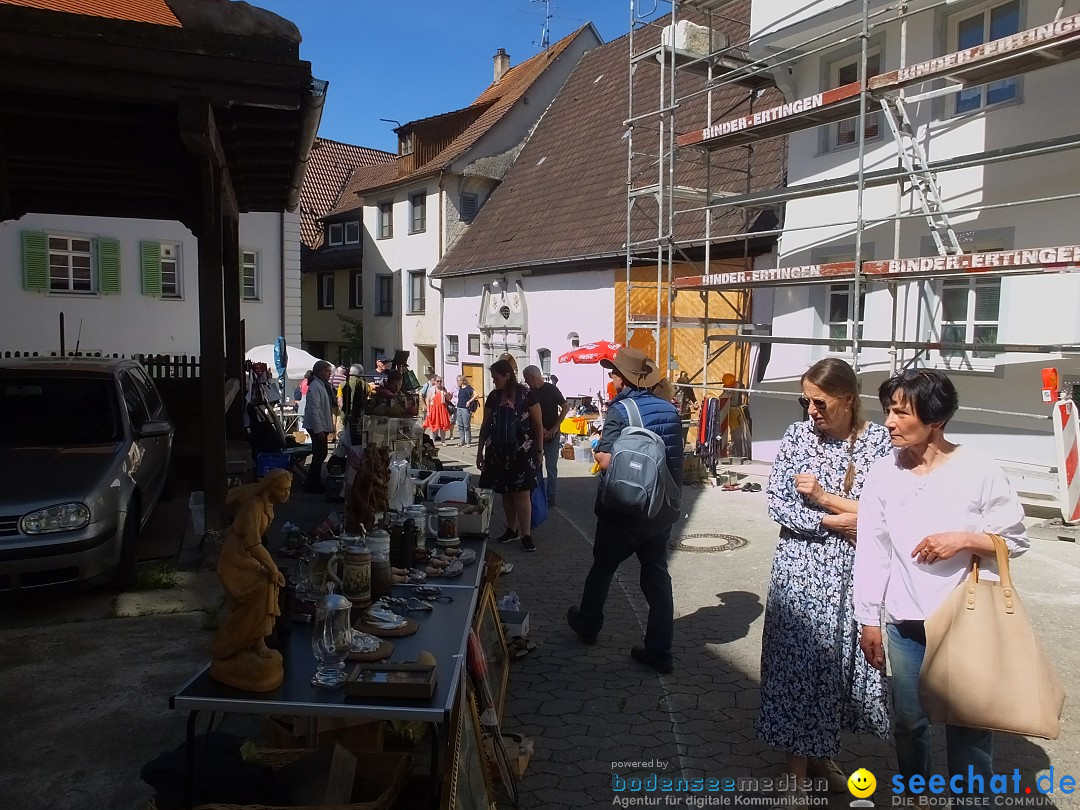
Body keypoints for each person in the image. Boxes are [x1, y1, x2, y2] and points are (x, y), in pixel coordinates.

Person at [853, 369, 1028, 792]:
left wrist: (963, 539)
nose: (889, 422)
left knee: (968, 727)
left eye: (900, 413)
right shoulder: (881, 473)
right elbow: (873, 549)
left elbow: (1016, 540)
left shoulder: (979, 469)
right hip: (905, 622)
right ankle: (918, 794)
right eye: (887, 412)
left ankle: (972, 801)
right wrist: (869, 619)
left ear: (936, 419)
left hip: (964, 621)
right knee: (909, 721)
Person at [756, 357, 892, 793]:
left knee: (834, 672)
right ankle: (796, 781)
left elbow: (884, 511)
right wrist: (833, 522)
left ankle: (821, 757)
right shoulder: (798, 437)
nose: (810, 409)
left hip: (852, 575)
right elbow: (778, 502)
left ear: (848, 400)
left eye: (819, 401)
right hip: (801, 572)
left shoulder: (877, 447)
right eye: (805, 400)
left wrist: (824, 500)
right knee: (799, 668)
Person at [566, 347, 683, 674]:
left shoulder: (621, 410)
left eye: (615, 373)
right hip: (660, 508)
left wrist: (601, 448)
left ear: (627, 378)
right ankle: (661, 650)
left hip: (624, 507)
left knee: (603, 567)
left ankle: (589, 623)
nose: (611, 377)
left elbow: (605, 459)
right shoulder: (670, 410)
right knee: (657, 576)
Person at [209, 468, 291, 690]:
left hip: (246, 557)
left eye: (289, 490)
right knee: (258, 590)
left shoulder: (268, 506)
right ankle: (233, 644)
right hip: (235, 561)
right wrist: (272, 567)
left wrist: (271, 569)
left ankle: (257, 640)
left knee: (267, 586)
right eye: (283, 489)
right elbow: (253, 544)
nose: (287, 494)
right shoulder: (253, 507)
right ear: (271, 488)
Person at [476, 358, 544, 552]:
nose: (494, 381)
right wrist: (479, 451)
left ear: (507, 375)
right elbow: (485, 425)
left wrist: (539, 451)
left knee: (522, 493)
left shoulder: (527, 394)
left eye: (496, 378)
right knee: (505, 491)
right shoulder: (493, 396)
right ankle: (511, 529)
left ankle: (526, 534)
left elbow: (538, 424)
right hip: (498, 451)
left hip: (522, 450)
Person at [522, 365, 570, 509]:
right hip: (537, 433)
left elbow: (565, 406)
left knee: (551, 466)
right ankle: (537, 494)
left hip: (553, 433)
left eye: (527, 379)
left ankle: (551, 496)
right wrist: (540, 428)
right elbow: (528, 413)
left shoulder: (551, 389)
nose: (526, 382)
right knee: (536, 464)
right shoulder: (529, 393)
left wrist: (555, 427)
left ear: (533, 377)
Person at [302, 360, 334, 494]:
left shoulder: (322, 385)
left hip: (320, 425)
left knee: (321, 455)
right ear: (320, 371)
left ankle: (314, 482)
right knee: (319, 455)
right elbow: (313, 409)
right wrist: (319, 430)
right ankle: (312, 484)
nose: (329, 374)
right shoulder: (316, 386)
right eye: (327, 371)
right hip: (317, 426)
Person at [453, 375, 481, 446]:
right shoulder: (460, 389)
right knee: (460, 425)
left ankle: (468, 442)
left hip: (465, 409)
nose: (457, 382)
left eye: (458, 381)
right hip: (459, 407)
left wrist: (469, 401)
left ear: (462, 381)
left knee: (466, 425)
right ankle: (461, 442)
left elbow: (476, 394)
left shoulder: (468, 388)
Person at [423, 376, 452, 441]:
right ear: (435, 382)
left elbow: (448, 400)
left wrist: (447, 396)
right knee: (433, 426)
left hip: (442, 409)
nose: (439, 382)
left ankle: (443, 441)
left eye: (440, 381)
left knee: (443, 426)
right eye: (437, 381)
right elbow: (427, 401)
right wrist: (428, 412)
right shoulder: (431, 390)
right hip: (433, 409)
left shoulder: (444, 389)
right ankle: (432, 441)